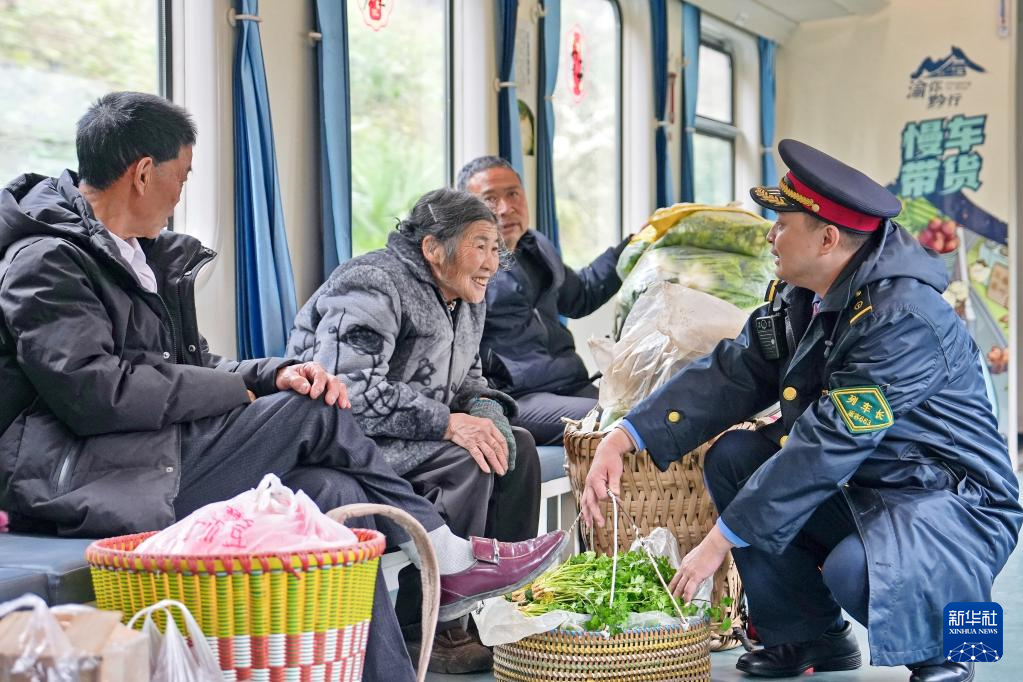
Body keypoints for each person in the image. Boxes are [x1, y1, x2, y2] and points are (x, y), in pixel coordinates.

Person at [0, 91, 566, 682]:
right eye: (182, 176)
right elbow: (97, 394)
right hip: (91, 477)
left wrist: (269, 373)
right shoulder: (47, 263)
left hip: (154, 453)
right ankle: (446, 555)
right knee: (311, 409)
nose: (182, 193)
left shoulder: (138, 256)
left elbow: (193, 365)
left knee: (333, 497)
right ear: (144, 173)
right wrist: (244, 393)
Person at [581, 139, 1022, 682]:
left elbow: (829, 443)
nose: (770, 235)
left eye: (782, 224)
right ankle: (810, 638)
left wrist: (717, 542)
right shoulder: (805, 295)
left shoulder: (902, 319)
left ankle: (954, 651)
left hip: (952, 501)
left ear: (827, 239)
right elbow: (735, 370)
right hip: (874, 484)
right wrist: (625, 436)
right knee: (736, 457)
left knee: (854, 570)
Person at [286, 187, 541, 673]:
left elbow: (466, 377)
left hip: (412, 440)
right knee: (466, 461)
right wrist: (446, 423)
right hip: (349, 445)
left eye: (496, 249)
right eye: (480, 246)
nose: (492, 262)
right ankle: (433, 624)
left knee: (516, 447)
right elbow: (347, 390)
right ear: (433, 248)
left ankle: (496, 609)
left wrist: (484, 408)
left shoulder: (465, 296)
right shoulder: (372, 283)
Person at [457, 156, 630, 445]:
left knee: (652, 406)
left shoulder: (536, 245)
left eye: (513, 194)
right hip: (515, 397)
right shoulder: (464, 269)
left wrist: (630, 250)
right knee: (620, 419)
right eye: (490, 199)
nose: (506, 208)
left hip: (569, 383)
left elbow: (579, 296)